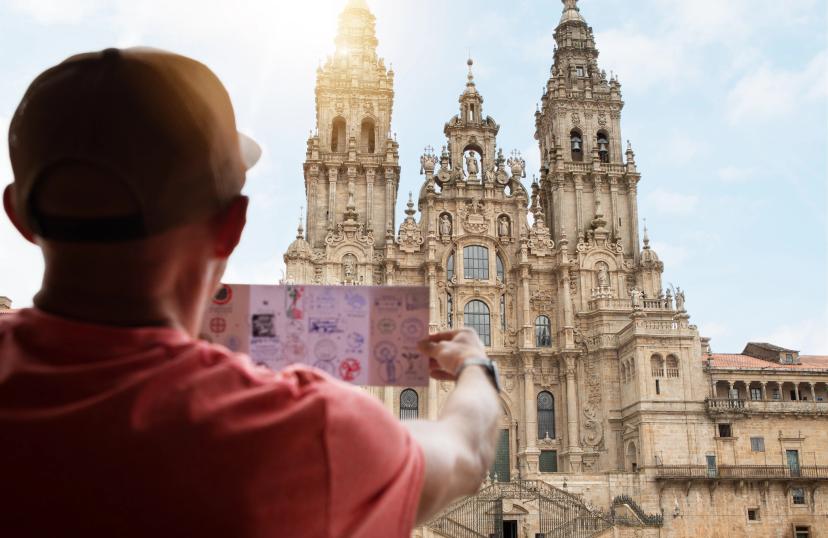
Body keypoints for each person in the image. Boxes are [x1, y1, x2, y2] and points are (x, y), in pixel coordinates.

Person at [0, 48, 501, 537]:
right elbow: (465, 454)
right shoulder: (296, 431)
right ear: (231, 227)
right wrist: (476, 365)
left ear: (18, 216)